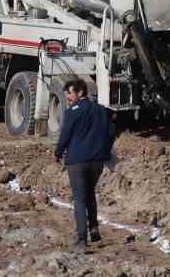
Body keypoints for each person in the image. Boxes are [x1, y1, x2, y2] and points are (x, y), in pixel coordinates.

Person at [53, 79, 114, 253]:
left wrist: (58, 153)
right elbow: (111, 131)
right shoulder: (102, 110)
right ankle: (94, 229)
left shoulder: (72, 112)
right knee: (90, 193)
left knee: (79, 198)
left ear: (80, 93)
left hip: (77, 162)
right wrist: (105, 150)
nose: (68, 98)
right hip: (98, 161)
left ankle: (81, 240)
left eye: (70, 94)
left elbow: (65, 135)